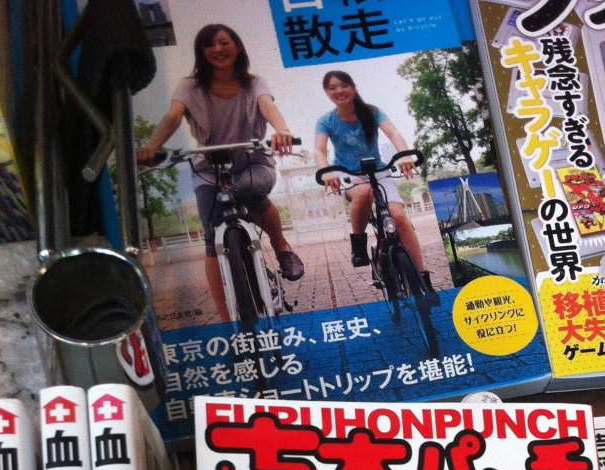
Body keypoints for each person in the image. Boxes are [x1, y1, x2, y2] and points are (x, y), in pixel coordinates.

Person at [136, 23, 304, 324]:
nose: (218, 49)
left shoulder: (254, 83)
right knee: (212, 237)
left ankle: (280, 246)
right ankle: (228, 322)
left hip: (252, 162)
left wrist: (282, 130)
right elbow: (173, 116)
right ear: (201, 52)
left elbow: (267, 106)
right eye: (209, 45)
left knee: (250, 189)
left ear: (237, 47)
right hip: (209, 170)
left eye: (224, 42)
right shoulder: (189, 87)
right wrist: (152, 146)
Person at [315, 69, 431, 284]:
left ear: (353, 88)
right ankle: (358, 246)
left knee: (399, 217)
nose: (339, 91)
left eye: (344, 85)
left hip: (378, 171)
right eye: (332, 88)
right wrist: (327, 171)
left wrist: (405, 155)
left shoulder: (372, 112)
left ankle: (422, 278)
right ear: (326, 92)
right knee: (361, 193)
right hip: (347, 174)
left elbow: (393, 133)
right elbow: (320, 150)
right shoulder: (326, 121)